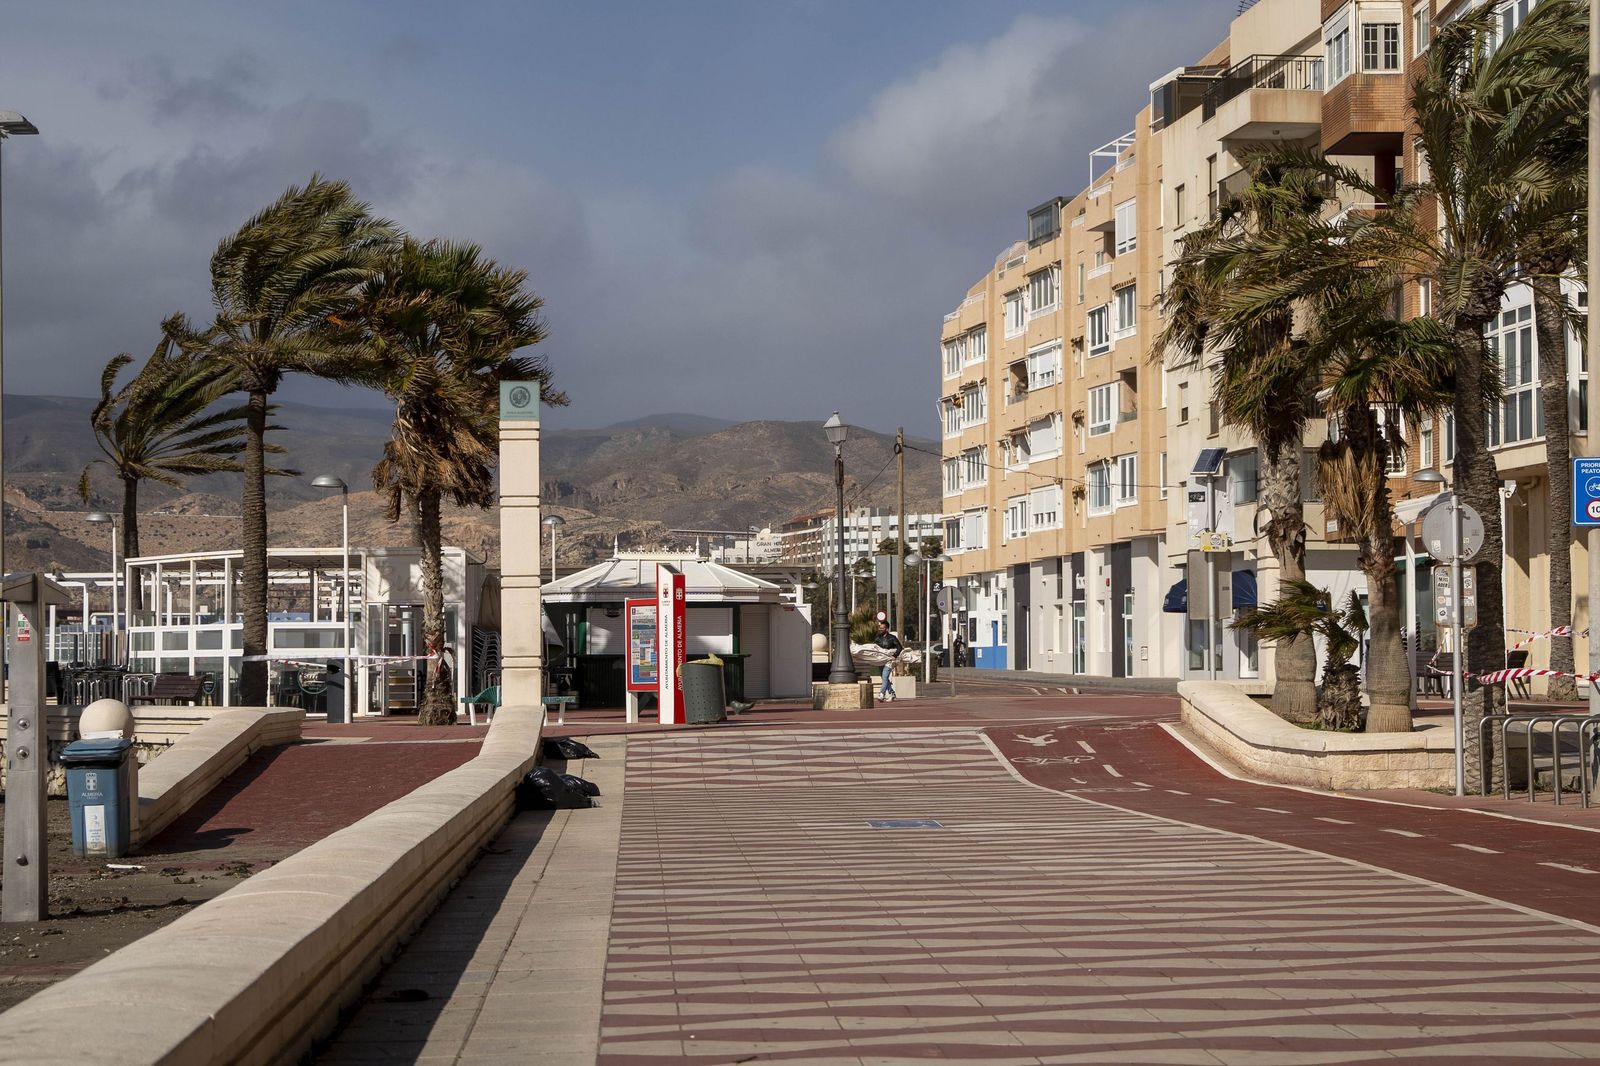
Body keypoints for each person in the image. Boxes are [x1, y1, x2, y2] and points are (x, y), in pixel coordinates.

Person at [874, 620, 902, 702]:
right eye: (880, 628)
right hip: (880, 660)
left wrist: (894, 655)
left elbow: (900, 648)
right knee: (884, 678)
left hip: (889, 661)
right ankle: (892, 693)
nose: (880, 629)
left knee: (885, 676)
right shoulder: (877, 638)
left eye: (882, 628)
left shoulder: (892, 638)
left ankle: (881, 694)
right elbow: (873, 647)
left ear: (887, 629)